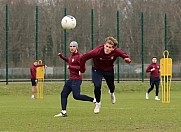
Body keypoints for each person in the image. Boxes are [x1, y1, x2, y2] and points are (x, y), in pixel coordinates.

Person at [79, 37, 131, 114]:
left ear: (113, 49)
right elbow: (83, 58)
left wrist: (127, 60)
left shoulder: (116, 51)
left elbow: (125, 56)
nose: (107, 49)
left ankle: (112, 93)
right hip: (97, 70)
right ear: (104, 45)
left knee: (111, 86)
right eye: (106, 46)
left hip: (109, 70)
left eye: (109, 47)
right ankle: (98, 103)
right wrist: (82, 69)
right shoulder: (97, 51)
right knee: (97, 85)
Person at [54, 41, 96, 117]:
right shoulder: (71, 56)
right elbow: (70, 61)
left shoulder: (80, 56)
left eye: (73, 46)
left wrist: (71, 67)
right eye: (70, 46)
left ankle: (94, 100)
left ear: (76, 47)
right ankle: (63, 112)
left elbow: (83, 68)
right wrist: (62, 56)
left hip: (76, 79)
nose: (72, 48)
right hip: (71, 79)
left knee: (76, 96)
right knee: (63, 94)